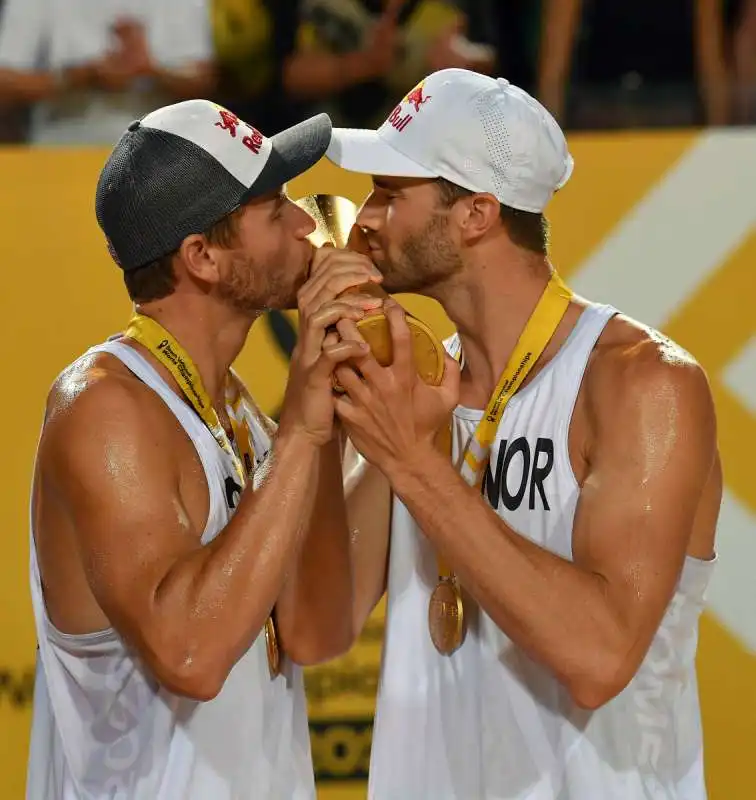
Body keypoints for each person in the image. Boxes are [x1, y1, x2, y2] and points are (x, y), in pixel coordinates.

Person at [325, 68, 722, 798]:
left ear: (476, 213)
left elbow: (601, 658)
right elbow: (321, 630)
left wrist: (414, 463)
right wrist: (323, 422)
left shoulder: (639, 382)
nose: (363, 221)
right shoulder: (414, 391)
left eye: (390, 195)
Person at [27, 100, 384, 799]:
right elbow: (189, 653)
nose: (307, 224)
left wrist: (342, 416)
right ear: (203, 257)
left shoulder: (238, 413)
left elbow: (314, 633)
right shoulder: (104, 406)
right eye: (274, 206)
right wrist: (304, 433)